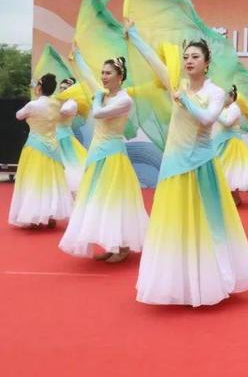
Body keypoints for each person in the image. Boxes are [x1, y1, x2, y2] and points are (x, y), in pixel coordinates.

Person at [126, 22, 248, 306]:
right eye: (186, 56)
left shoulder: (216, 92)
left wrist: (186, 99)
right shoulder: (177, 86)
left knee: (204, 224)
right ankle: (181, 284)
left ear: (207, 63)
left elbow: (208, 120)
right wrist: (135, 35)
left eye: (195, 57)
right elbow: (154, 62)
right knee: (175, 225)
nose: (188, 61)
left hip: (200, 166)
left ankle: (212, 282)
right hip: (174, 166)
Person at [59, 48, 148, 263]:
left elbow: (98, 112)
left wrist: (97, 96)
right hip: (97, 153)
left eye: (108, 73)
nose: (103, 77)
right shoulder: (103, 94)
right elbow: (89, 79)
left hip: (113, 156)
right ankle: (113, 243)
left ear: (120, 76)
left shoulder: (124, 100)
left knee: (114, 199)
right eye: (103, 73)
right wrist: (77, 58)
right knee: (97, 199)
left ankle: (124, 247)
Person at [9, 74, 73, 228]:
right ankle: (50, 215)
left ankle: (35, 215)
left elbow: (18, 116)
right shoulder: (57, 105)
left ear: (39, 87)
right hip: (53, 147)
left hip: (35, 147)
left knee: (34, 181)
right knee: (51, 181)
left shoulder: (33, 105)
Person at [215, 84, 248, 207]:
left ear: (231, 96)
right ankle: (231, 198)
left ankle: (235, 198)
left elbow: (228, 123)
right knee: (223, 168)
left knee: (232, 171)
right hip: (222, 140)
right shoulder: (224, 108)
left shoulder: (235, 108)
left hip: (231, 143)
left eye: (225, 96)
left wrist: (215, 113)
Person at [55, 77, 87, 194]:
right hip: (53, 137)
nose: (62, 90)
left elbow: (63, 111)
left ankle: (71, 191)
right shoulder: (58, 101)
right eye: (61, 88)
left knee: (69, 165)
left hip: (64, 138)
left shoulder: (71, 103)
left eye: (66, 88)